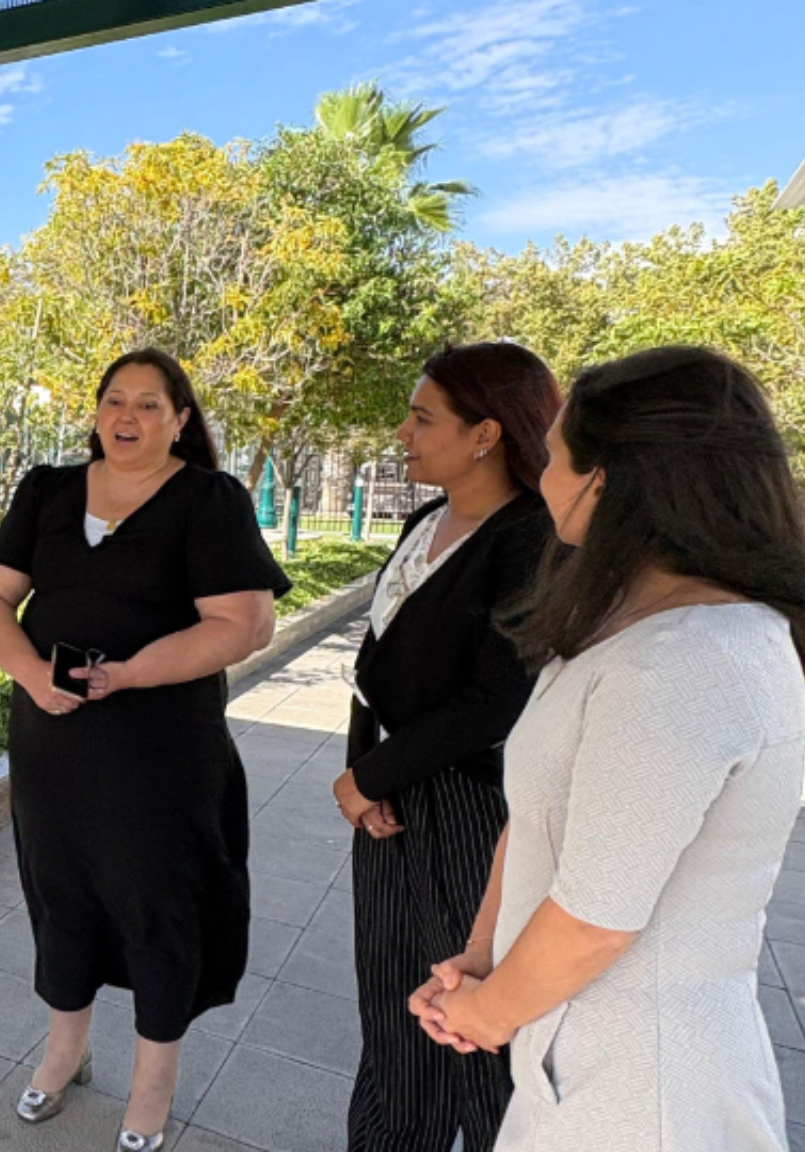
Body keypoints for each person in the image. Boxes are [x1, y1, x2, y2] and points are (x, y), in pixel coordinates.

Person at [410, 347, 805, 1151]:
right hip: (580, 1053)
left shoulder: (687, 660)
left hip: (639, 1088)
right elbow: (541, 815)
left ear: (608, 479)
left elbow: (596, 918)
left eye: (555, 456)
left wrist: (486, 1013)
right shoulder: (635, 626)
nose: (542, 475)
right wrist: (484, 957)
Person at [0, 349, 289, 1152]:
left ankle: (153, 1087)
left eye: (150, 403)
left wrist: (130, 674)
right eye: (115, 399)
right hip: (51, 745)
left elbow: (246, 623)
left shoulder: (208, 500)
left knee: (158, 908)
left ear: (180, 420)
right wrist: (32, 673)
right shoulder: (48, 490)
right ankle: (64, 1051)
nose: (128, 415)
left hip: (159, 755)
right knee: (60, 896)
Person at [335, 343, 559, 1152]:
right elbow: (374, 666)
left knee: (468, 1017)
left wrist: (374, 773)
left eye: (423, 418)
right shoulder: (424, 522)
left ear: (485, 434)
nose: (404, 432)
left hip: (473, 807)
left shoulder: (531, 540)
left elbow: (497, 698)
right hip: (392, 802)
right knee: (393, 1008)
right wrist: (366, 777)